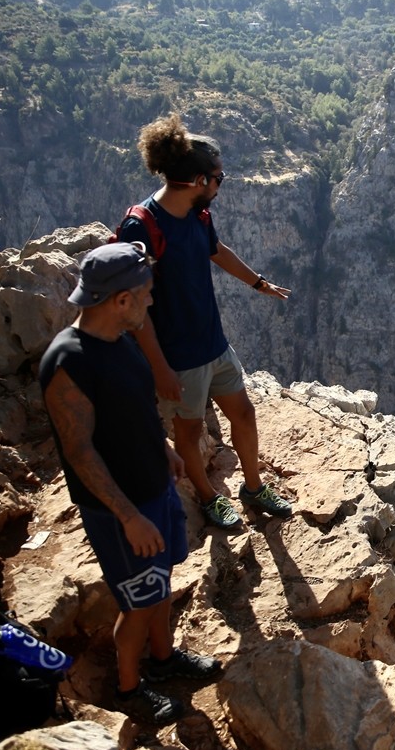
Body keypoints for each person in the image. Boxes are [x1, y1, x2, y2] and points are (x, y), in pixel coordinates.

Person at [40, 242, 221, 725]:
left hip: (153, 490)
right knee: (137, 602)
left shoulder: (120, 338)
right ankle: (128, 688)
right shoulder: (67, 364)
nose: (150, 302)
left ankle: (163, 662)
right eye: (144, 294)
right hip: (121, 511)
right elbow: (80, 452)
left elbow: (134, 409)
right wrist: (129, 517)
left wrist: (163, 449)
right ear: (120, 299)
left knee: (159, 585)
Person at [117, 113, 293, 529]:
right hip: (179, 359)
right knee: (190, 432)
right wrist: (159, 368)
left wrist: (258, 282)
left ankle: (253, 488)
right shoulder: (141, 229)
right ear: (198, 181)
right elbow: (133, 309)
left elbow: (216, 250)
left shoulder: (198, 214)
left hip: (214, 344)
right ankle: (210, 498)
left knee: (244, 415)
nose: (220, 184)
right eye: (219, 177)